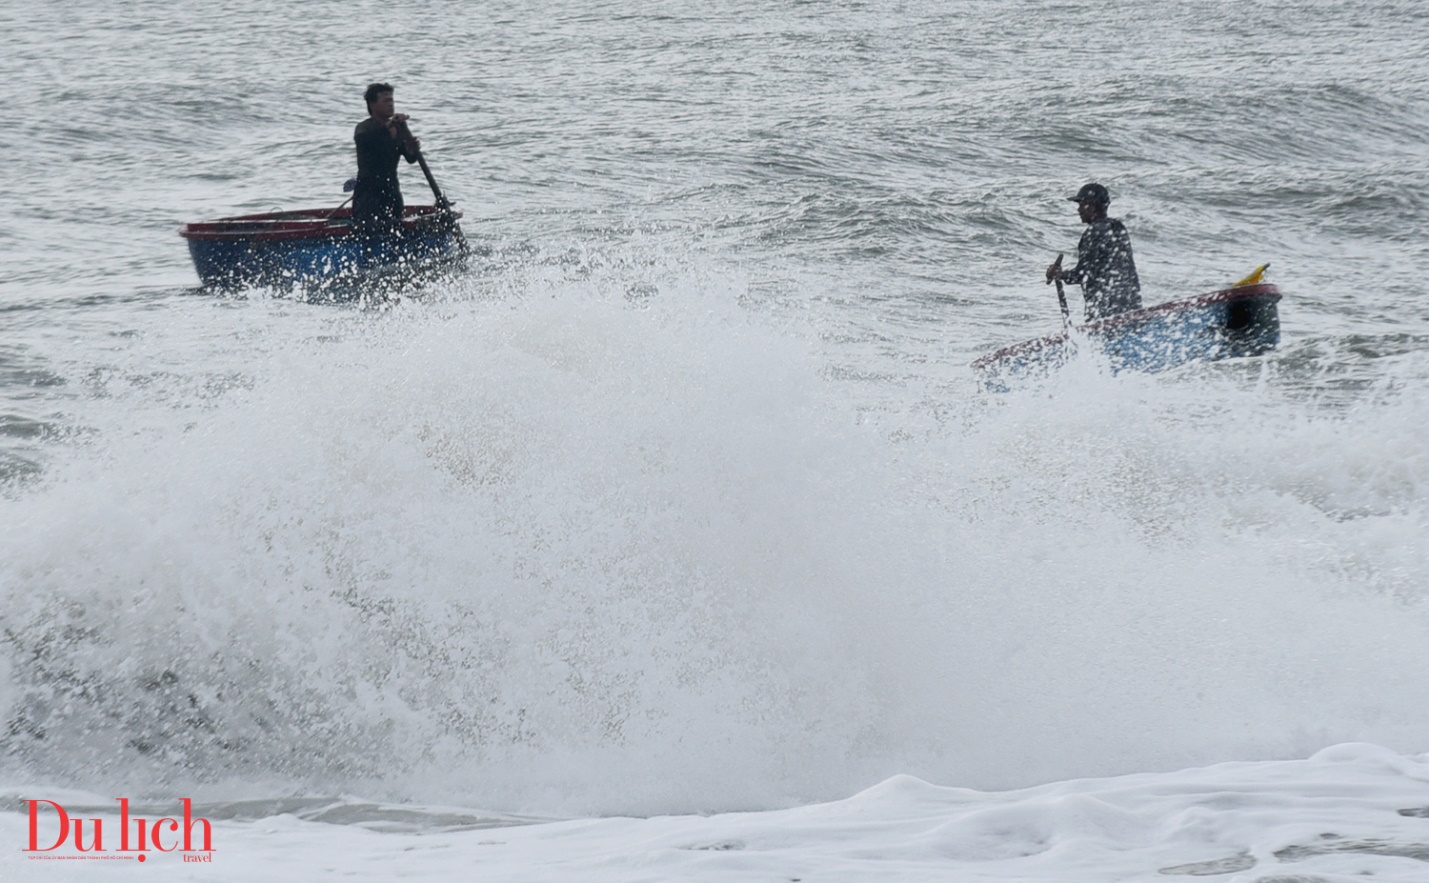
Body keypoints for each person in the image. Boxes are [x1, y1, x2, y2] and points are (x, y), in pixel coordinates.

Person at [1046, 183, 1142, 321]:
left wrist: (1060, 274)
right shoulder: (1118, 227)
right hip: (1131, 305)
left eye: (1081, 204)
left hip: (1106, 311)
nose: (1079, 209)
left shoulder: (1094, 232)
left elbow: (1083, 274)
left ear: (1092, 205)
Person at [352, 83, 421, 234]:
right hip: (368, 193)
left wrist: (412, 146)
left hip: (392, 190)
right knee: (369, 231)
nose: (390, 104)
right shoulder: (364, 128)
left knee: (396, 228)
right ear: (372, 104)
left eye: (392, 100)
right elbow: (366, 138)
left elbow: (411, 158)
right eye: (385, 101)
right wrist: (389, 126)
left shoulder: (398, 128)